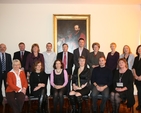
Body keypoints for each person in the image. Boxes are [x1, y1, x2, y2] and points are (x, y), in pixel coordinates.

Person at [132, 45, 141, 111]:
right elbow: (133, 67)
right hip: (137, 78)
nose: (139, 50)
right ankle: (140, 105)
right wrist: (135, 75)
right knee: (139, 92)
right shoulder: (136, 58)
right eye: (139, 49)